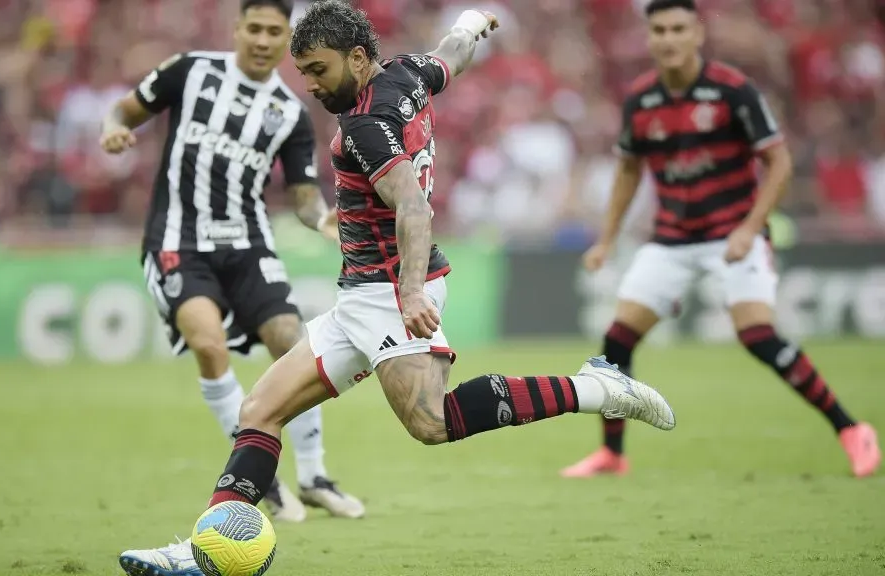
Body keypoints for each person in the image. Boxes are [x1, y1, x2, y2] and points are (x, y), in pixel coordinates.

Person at [118, 2, 677, 573]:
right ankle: (204, 549)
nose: (310, 84)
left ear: (358, 58)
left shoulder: (364, 126)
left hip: (392, 292)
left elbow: (411, 203)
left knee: (431, 423)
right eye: (304, 71)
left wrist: (409, 293)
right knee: (259, 410)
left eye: (318, 69)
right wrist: (468, 25)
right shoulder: (407, 74)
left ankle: (594, 389)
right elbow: (450, 57)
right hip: (362, 296)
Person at [560, 0, 880, 479]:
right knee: (616, 339)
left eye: (678, 29)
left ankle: (851, 429)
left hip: (732, 232)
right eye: (660, 30)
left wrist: (750, 229)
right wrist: (606, 239)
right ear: (649, 38)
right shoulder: (641, 99)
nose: (668, 38)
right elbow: (629, 169)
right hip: (671, 239)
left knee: (757, 335)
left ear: (697, 34)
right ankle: (613, 454)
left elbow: (780, 162)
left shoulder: (732, 91)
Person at [99, 0, 365, 535]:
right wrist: (113, 129)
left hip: (248, 245)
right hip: (178, 241)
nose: (264, 41)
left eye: (275, 31)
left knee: (294, 342)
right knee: (208, 344)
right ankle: (263, 482)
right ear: (238, 29)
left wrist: (322, 221)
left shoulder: (288, 110)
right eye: (256, 29)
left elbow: (304, 194)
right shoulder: (190, 70)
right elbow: (125, 110)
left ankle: (314, 476)